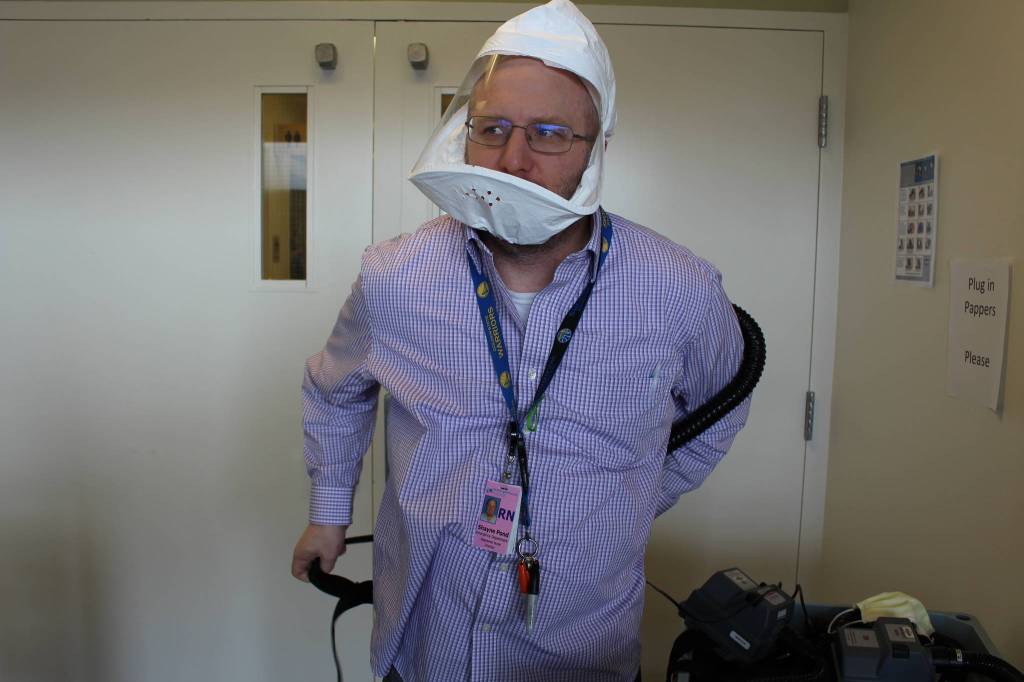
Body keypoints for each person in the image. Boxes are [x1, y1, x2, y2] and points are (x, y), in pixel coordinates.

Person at [291, 1, 750, 680]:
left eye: (550, 133)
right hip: (426, 639)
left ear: (595, 147)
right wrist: (329, 512)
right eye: (493, 128)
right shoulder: (394, 278)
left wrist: (626, 496)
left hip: (583, 646)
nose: (513, 160)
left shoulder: (681, 289)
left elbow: (722, 407)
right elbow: (334, 391)